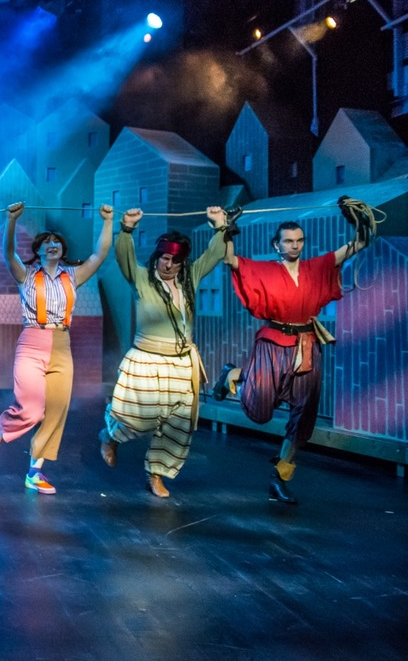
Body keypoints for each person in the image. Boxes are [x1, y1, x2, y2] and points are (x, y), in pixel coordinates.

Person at [212, 204, 370, 504]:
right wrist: (226, 228)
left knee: (304, 414)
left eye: (299, 240)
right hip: (272, 344)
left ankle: (280, 477)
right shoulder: (266, 270)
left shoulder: (317, 267)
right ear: (277, 245)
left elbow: (359, 244)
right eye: (288, 241)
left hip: (306, 346)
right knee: (259, 412)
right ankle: (234, 375)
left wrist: (357, 219)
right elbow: (229, 259)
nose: (294, 246)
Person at [0, 201, 113, 494]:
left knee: (57, 410)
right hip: (32, 342)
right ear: (38, 250)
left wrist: (107, 221)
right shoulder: (26, 274)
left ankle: (35, 471)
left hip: (62, 345)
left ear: (62, 249)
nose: (53, 245)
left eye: (57, 242)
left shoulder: (72, 275)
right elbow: (8, 253)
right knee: (31, 408)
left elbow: (99, 255)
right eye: (47, 242)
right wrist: (11, 220)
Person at [97, 207, 228, 497]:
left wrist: (220, 227)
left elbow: (214, 255)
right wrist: (127, 229)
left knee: (177, 425)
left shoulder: (190, 279)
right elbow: (124, 257)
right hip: (147, 359)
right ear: (157, 257)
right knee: (137, 418)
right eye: (164, 258)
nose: (168, 264)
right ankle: (110, 436)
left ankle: (156, 474)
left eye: (175, 260)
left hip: (181, 364)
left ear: (183, 263)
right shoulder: (142, 278)